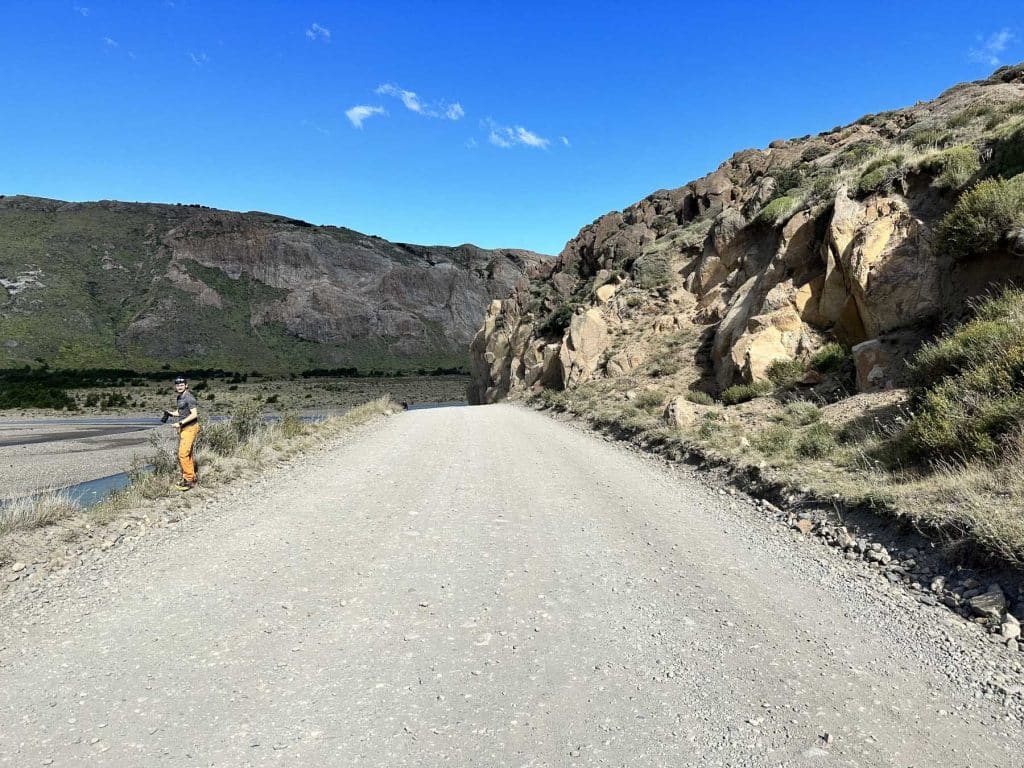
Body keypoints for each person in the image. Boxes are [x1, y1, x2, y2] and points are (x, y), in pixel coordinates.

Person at [168, 375, 200, 491]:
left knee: (182, 454)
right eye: (178, 385)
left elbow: (194, 414)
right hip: (185, 429)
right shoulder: (180, 397)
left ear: (186, 385)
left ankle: (189, 480)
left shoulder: (189, 398)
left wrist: (180, 423)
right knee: (188, 454)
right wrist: (171, 413)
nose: (180, 387)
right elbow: (181, 412)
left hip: (190, 428)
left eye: (182, 385)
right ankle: (192, 478)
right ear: (175, 386)